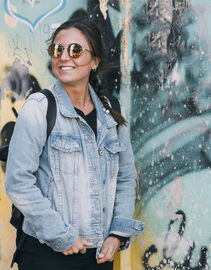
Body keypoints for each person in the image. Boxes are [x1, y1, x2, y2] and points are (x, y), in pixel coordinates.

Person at [5, 19, 143, 270]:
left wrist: (117, 234)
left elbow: (125, 177)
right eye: (58, 50)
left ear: (94, 61)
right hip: (46, 256)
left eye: (75, 50)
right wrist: (60, 235)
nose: (64, 57)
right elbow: (18, 182)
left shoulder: (112, 112)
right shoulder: (39, 108)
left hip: (99, 256)